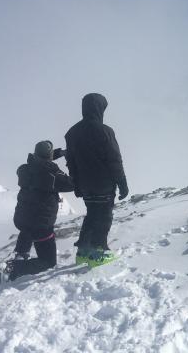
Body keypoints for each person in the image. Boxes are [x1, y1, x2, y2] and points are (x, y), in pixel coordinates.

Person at [0, 141, 74, 282]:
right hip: (41, 224)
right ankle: (9, 269)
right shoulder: (52, 175)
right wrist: (72, 162)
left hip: (22, 218)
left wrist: (60, 153)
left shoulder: (25, 169)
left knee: (27, 229)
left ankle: (20, 254)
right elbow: (71, 184)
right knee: (48, 262)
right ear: (49, 156)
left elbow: (40, 162)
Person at [65, 93, 128, 266]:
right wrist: (122, 183)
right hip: (104, 184)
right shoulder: (105, 131)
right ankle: (98, 252)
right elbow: (114, 160)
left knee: (92, 214)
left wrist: (76, 184)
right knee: (104, 216)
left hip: (85, 186)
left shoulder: (71, 133)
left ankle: (83, 252)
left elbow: (71, 162)